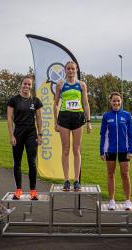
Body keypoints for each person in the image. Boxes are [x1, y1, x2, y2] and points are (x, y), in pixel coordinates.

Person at [53, 61, 92, 191]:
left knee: (76, 150)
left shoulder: (81, 85)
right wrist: (55, 121)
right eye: (68, 69)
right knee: (65, 149)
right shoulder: (60, 84)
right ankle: (66, 180)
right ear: (65, 70)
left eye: (73, 69)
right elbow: (55, 104)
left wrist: (89, 121)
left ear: (76, 70)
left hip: (78, 117)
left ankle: (76, 180)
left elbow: (86, 104)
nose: (70, 71)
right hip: (64, 118)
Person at [7, 76, 43, 200]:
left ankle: (33, 191)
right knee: (17, 162)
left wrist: (40, 135)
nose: (26, 86)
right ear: (21, 84)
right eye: (25, 84)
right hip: (18, 132)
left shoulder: (36, 101)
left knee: (32, 162)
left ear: (31, 86)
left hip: (31, 132)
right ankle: (18, 190)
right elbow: (9, 119)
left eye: (29, 84)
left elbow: (39, 119)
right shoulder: (14, 100)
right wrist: (11, 135)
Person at [100, 92, 132, 210]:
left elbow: (130, 135)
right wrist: (101, 151)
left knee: (125, 174)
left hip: (124, 150)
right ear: (110, 102)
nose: (116, 103)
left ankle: (128, 200)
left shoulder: (127, 115)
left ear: (121, 101)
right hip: (110, 150)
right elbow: (103, 134)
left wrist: (131, 150)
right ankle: (111, 200)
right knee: (110, 174)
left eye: (118, 100)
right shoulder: (106, 116)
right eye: (114, 100)